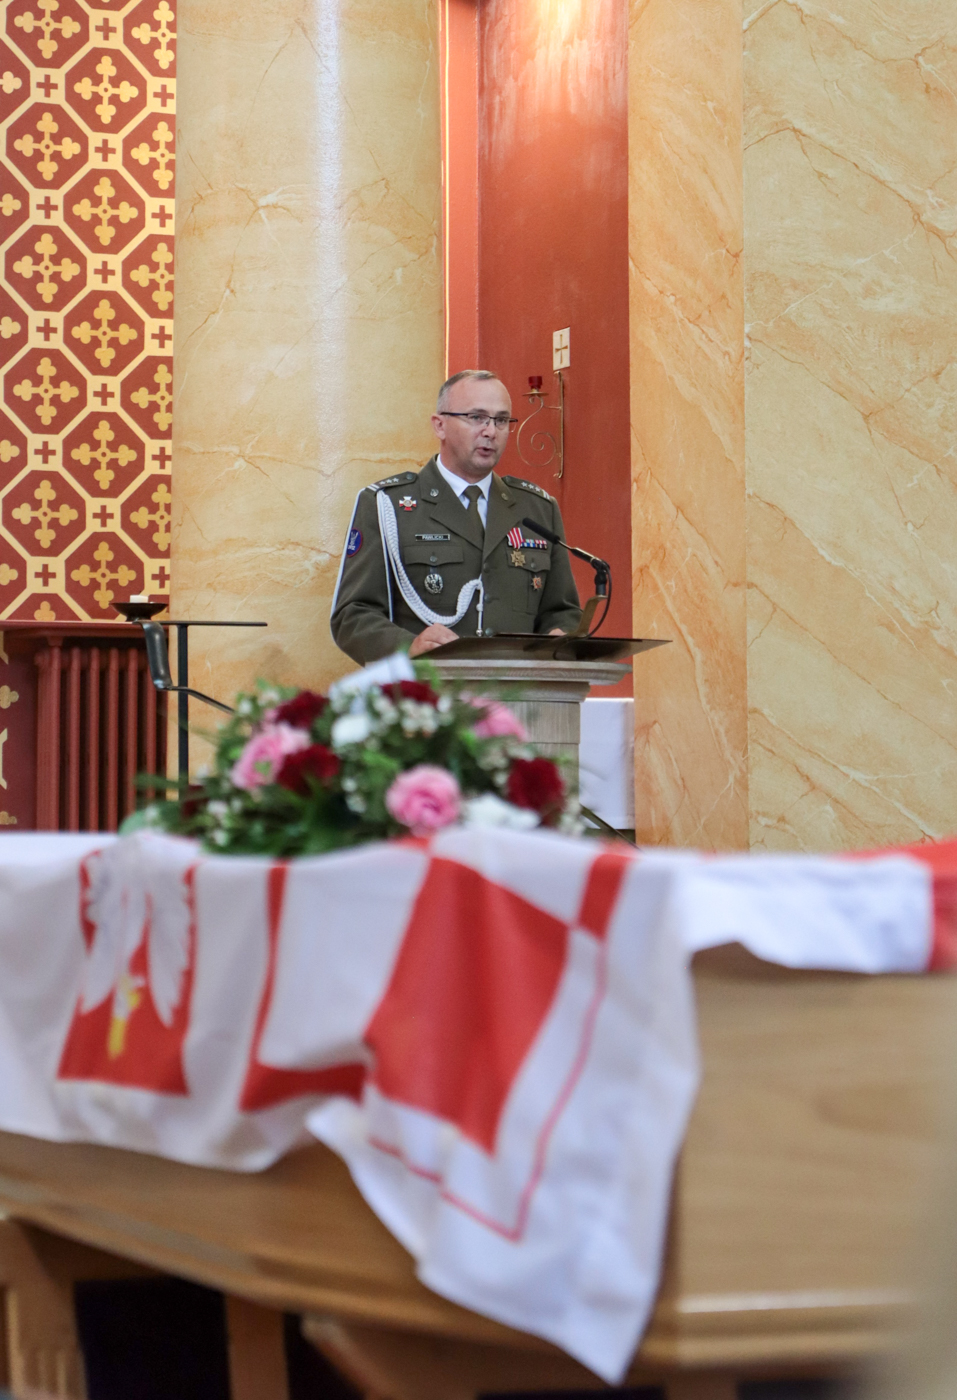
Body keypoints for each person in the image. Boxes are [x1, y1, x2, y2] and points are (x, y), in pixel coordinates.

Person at [330, 370, 582, 664]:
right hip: (429, 686)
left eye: (501, 420)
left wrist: (561, 635)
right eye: (477, 417)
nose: (491, 431)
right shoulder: (387, 505)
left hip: (517, 687)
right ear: (440, 426)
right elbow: (352, 615)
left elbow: (562, 610)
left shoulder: (537, 509)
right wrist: (408, 647)